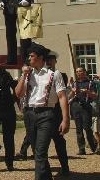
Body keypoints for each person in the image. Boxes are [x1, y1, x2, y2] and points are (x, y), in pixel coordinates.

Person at [15, 43, 69, 180]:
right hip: (29, 114)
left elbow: (62, 97)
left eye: (31, 56)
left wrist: (65, 119)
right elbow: (18, 93)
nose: (29, 58)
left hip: (47, 114)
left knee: (40, 152)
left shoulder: (54, 74)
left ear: (40, 58)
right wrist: (23, 75)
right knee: (36, 151)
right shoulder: (28, 74)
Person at [45, 51, 70, 176]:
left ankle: (65, 166)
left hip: (56, 112)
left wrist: (65, 118)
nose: (49, 62)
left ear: (55, 61)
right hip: (45, 112)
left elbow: (62, 95)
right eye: (47, 59)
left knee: (59, 141)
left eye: (51, 59)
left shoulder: (60, 75)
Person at [68, 67, 98, 155]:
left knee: (87, 127)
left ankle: (93, 145)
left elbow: (95, 95)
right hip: (76, 106)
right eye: (77, 71)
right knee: (78, 129)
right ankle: (81, 148)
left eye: (80, 71)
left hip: (86, 107)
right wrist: (72, 92)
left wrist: (88, 92)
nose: (78, 73)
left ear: (84, 72)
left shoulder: (90, 83)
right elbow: (69, 97)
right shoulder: (75, 83)